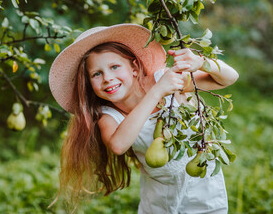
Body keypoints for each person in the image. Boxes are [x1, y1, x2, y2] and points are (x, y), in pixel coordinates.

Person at [48, 23, 239, 213]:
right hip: (160, 199)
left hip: (204, 190)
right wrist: (156, 93)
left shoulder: (164, 79)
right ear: (89, 84)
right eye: (97, 74)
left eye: (114, 67)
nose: (107, 78)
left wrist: (203, 63)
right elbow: (118, 145)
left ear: (134, 67)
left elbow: (229, 78)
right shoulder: (109, 115)